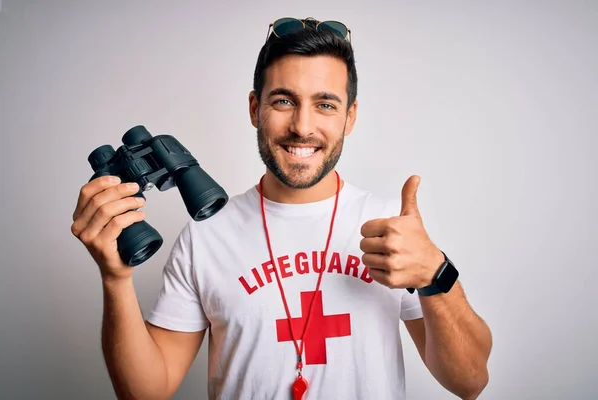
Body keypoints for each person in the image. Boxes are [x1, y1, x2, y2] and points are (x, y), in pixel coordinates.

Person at [71, 16, 492, 400]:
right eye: (284, 101)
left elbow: (469, 381)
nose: (303, 126)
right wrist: (115, 277)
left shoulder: (391, 229)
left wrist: (436, 273)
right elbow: (146, 392)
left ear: (350, 117)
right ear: (255, 108)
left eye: (325, 104)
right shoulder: (206, 235)